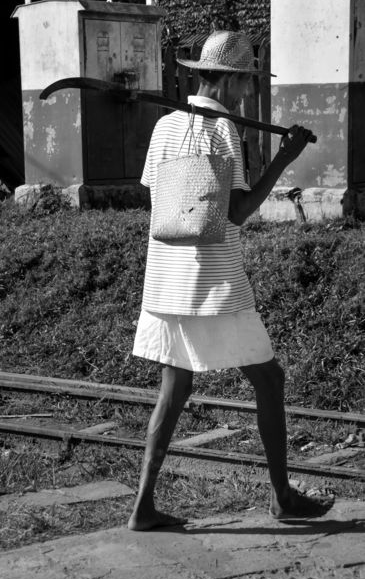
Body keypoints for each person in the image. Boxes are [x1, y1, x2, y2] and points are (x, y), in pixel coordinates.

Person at [128, 30, 334, 531]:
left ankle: (142, 507)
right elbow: (236, 213)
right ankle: (282, 497)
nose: (249, 92)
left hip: (166, 278)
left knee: (174, 387)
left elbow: (156, 200)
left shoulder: (165, 126)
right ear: (233, 78)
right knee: (270, 379)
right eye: (247, 82)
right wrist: (285, 160)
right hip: (214, 284)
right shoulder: (223, 132)